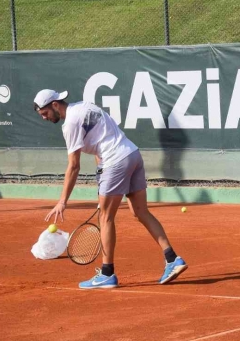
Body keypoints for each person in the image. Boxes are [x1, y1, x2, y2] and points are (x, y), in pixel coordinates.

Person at [33, 89, 187, 289]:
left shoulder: (70, 124)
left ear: (55, 104)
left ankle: (107, 274)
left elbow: (74, 166)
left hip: (115, 162)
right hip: (132, 154)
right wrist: (101, 174)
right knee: (140, 211)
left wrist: (62, 201)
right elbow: (100, 140)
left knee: (105, 218)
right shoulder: (85, 106)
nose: (44, 118)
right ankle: (172, 258)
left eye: (45, 113)